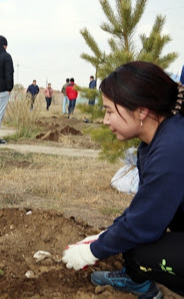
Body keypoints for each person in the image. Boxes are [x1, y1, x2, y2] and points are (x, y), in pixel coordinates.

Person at [62, 61, 184, 298]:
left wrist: (93, 251)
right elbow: (144, 205)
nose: (106, 120)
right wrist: (104, 235)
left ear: (141, 110)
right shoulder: (154, 143)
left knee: (138, 251)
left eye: (109, 111)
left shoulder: (172, 148)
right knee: (126, 240)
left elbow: (144, 224)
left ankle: (139, 281)